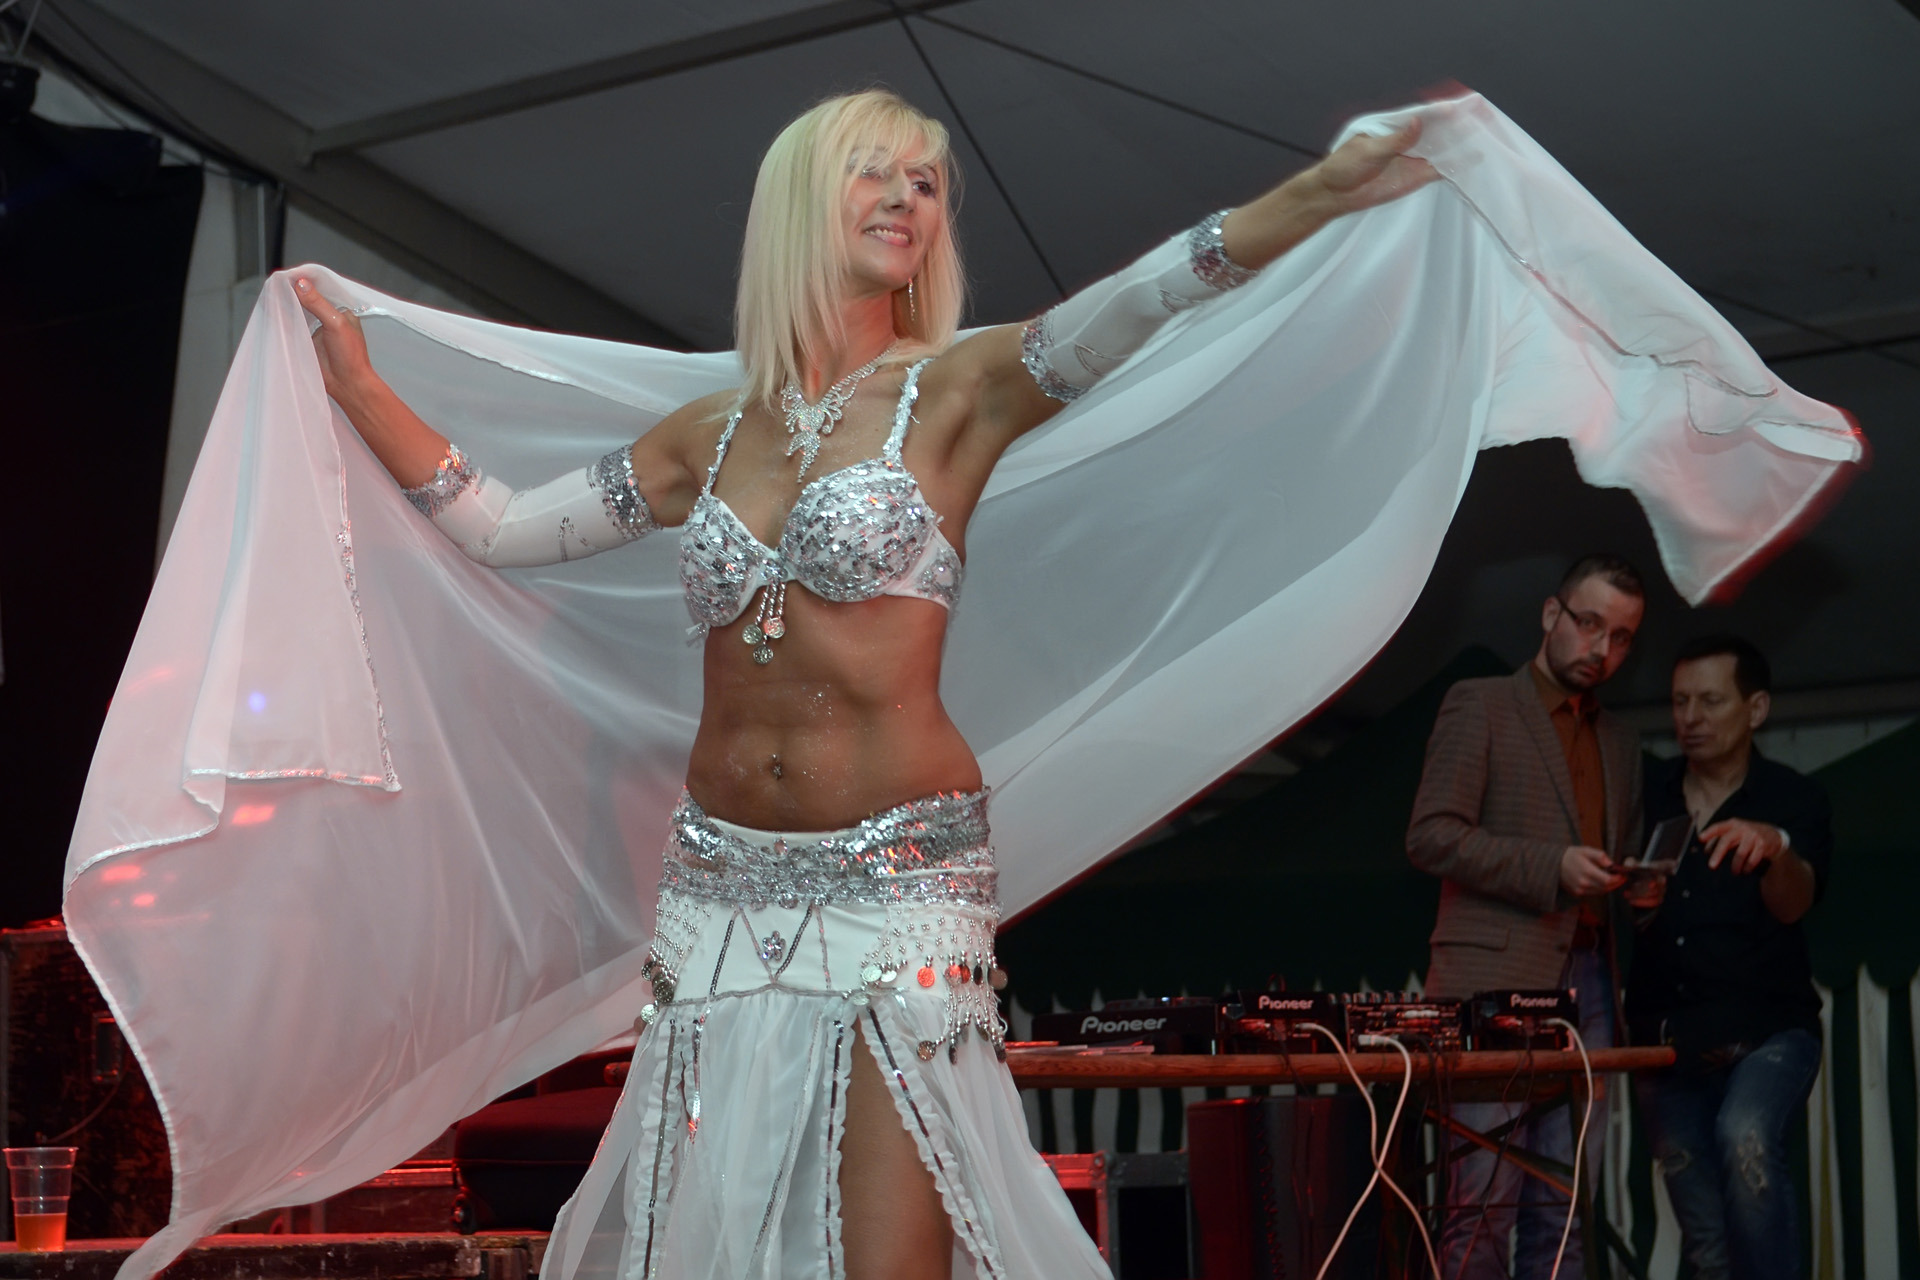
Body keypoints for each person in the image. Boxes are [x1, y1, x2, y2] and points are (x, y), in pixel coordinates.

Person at [294, 89, 1436, 1280]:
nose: (906, 198)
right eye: (874, 172)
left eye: (927, 182)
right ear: (801, 201)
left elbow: (1143, 299)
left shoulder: (961, 390)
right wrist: (359, 386)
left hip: (898, 882)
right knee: (717, 1243)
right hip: (717, 887)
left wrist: (1316, 194)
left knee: (890, 1252)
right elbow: (505, 525)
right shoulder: (708, 435)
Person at [1406, 553, 1658, 1279]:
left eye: (1620, 637)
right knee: (1481, 1209)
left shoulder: (1621, 741)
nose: (1601, 648)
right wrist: (1552, 867)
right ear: (1552, 614)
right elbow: (1430, 836)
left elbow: (1606, 857)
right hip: (1494, 982)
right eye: (1589, 624)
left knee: (1568, 1209)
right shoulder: (1480, 703)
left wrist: (1633, 888)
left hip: (1592, 979)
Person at [1627, 635, 1830, 1280]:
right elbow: (1623, 914)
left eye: (1711, 701)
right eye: (1680, 701)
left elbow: (1795, 904)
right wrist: (1633, 896)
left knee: (1747, 1138)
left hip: (1768, 1032)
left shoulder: (1793, 796)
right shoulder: (1646, 793)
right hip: (1665, 1041)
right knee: (1707, 1239)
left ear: (1756, 708)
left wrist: (1775, 849)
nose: (1691, 718)